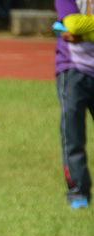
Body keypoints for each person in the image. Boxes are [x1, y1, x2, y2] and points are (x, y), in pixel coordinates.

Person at [55, 0, 94, 209]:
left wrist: (84, 35)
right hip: (72, 68)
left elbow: (79, 29)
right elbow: (73, 24)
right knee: (72, 132)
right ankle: (77, 191)